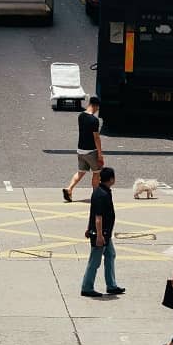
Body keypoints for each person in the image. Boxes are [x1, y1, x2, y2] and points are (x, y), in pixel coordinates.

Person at [81, 165, 125, 298]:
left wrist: (89, 228)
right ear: (111, 179)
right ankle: (87, 287)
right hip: (101, 234)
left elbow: (92, 212)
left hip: (105, 234)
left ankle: (111, 285)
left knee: (111, 255)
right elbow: (98, 217)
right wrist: (99, 235)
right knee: (95, 261)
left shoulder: (102, 191)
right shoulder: (102, 194)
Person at [63, 95, 103, 202]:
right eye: (97, 108)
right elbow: (96, 138)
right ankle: (96, 196)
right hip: (91, 151)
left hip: (80, 150)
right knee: (96, 172)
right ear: (96, 106)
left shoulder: (81, 116)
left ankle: (69, 189)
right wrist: (100, 154)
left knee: (81, 172)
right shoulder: (94, 120)